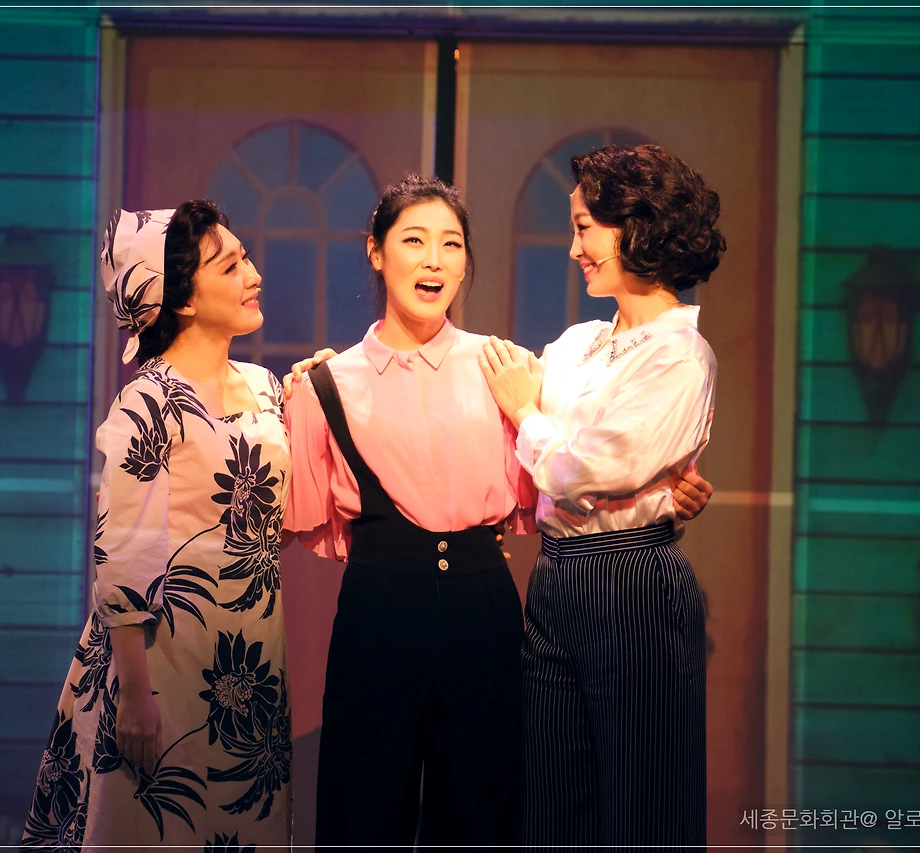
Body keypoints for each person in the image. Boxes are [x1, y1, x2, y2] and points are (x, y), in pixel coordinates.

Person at [282, 174, 714, 848]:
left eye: (451, 243)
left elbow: (580, 455)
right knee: (364, 810)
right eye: (414, 240)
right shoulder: (325, 384)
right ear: (375, 250)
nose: (434, 260)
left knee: (494, 814)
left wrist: (664, 491)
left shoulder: (506, 367)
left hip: (486, 604)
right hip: (381, 607)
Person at [23, 201, 292, 849]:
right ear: (184, 298)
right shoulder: (147, 402)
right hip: (163, 661)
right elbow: (122, 554)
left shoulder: (266, 387)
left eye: (246, 258)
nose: (253, 274)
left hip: (249, 663)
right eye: (230, 266)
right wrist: (136, 695)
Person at [480, 143, 724, 848]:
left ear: (636, 226)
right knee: (553, 803)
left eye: (585, 228)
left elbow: (577, 470)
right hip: (557, 576)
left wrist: (530, 415)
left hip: (632, 578)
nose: (573, 249)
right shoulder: (579, 343)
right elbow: (493, 389)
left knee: (644, 805)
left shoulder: (679, 355)